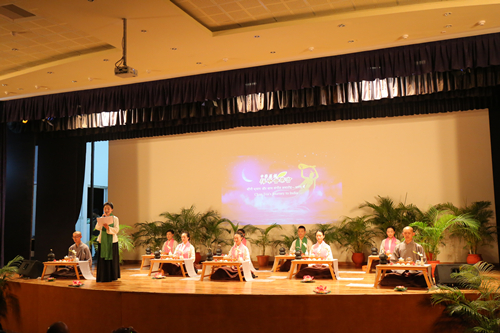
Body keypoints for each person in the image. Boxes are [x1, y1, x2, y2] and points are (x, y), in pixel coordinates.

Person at [95, 202, 120, 282]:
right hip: (102, 241)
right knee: (102, 259)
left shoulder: (115, 218)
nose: (106, 210)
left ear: (112, 209)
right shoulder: (102, 217)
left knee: (111, 260)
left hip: (112, 241)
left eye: (108, 208)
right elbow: (97, 228)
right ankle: (102, 276)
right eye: (105, 208)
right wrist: (101, 221)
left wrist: (108, 228)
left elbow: (116, 230)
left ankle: (112, 276)